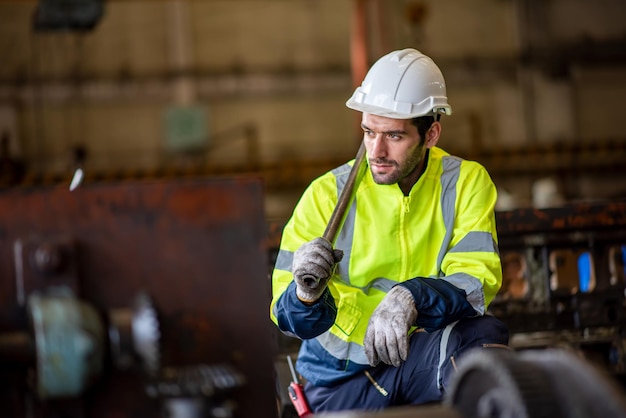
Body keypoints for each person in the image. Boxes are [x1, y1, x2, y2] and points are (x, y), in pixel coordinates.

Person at [270, 48, 509, 413]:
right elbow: (287, 319)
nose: (376, 151)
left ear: (431, 134)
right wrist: (305, 293)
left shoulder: (465, 183)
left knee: (485, 343)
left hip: (414, 359)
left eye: (394, 136)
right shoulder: (325, 196)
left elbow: (477, 282)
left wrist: (411, 296)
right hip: (339, 379)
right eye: (369, 132)